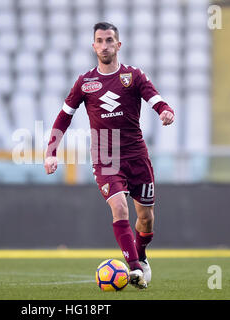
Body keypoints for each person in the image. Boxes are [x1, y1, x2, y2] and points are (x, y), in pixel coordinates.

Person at [44, 22, 175, 289]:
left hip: (136, 154)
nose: (105, 45)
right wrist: (51, 152)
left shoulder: (133, 76)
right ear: (94, 46)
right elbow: (63, 117)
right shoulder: (85, 82)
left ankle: (141, 254)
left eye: (109, 40)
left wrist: (165, 110)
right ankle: (135, 268)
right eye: (100, 41)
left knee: (146, 217)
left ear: (118, 44)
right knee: (119, 207)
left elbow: (154, 97)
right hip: (105, 156)